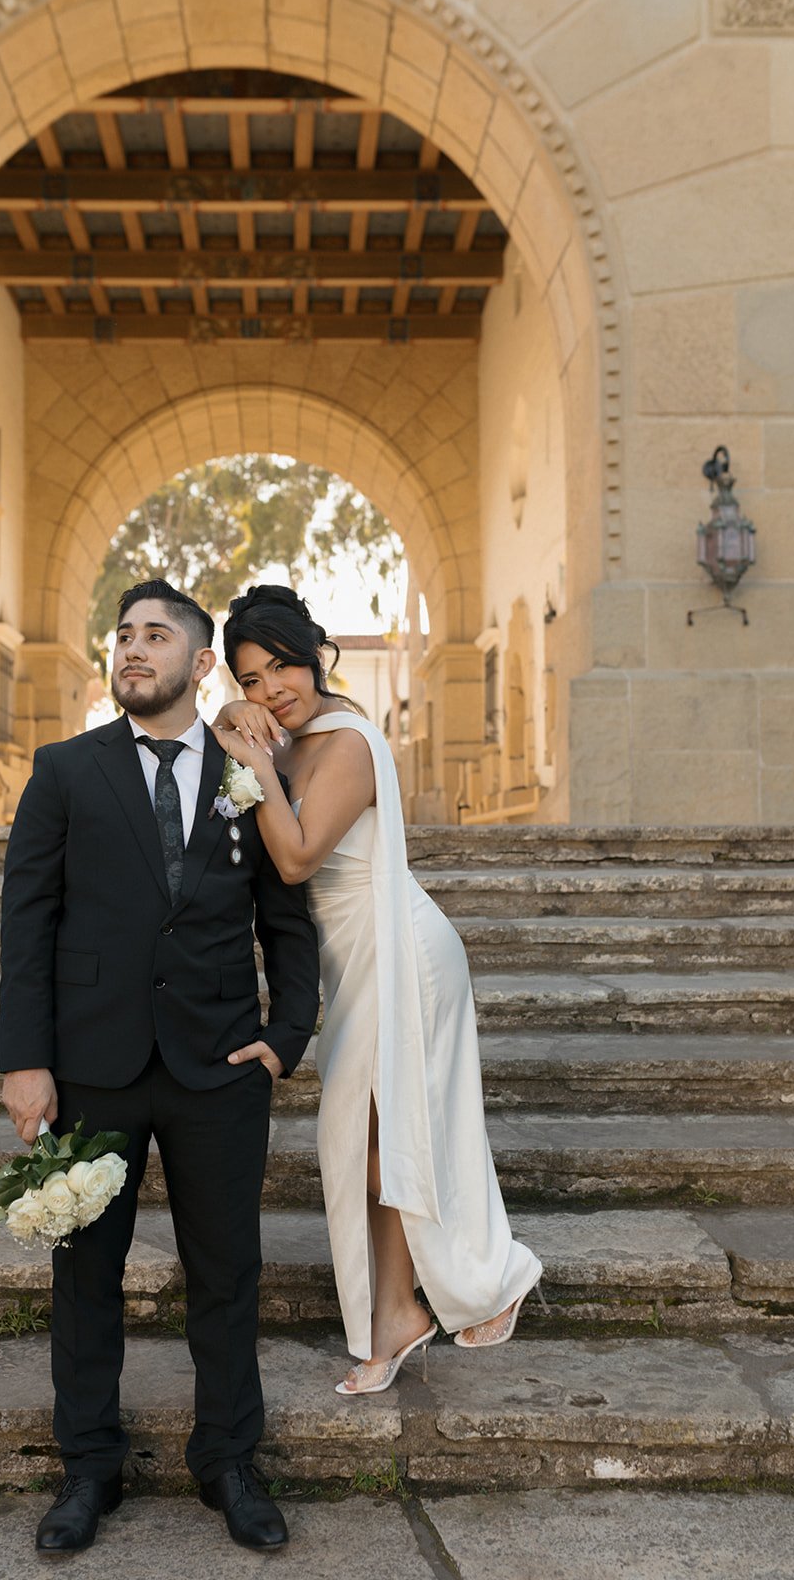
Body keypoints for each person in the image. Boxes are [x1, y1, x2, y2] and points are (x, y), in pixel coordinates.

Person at [0, 579, 319, 1555]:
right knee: (83, 1269)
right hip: (90, 1064)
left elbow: (285, 915)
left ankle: (227, 1460)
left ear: (199, 661)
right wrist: (25, 1061)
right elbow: (28, 923)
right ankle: (87, 1464)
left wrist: (286, 1033)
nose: (133, 649)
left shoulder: (246, 764)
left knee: (225, 1273)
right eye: (123, 635)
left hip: (218, 1062)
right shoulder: (63, 771)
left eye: (155, 635)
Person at [213, 584, 543, 1396]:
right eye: (251, 680)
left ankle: (471, 1281)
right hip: (350, 961)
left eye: (282, 667)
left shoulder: (344, 744)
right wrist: (234, 726)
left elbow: (292, 860)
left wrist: (250, 756)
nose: (271, 690)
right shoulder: (289, 738)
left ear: (312, 654)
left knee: (376, 1138)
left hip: (402, 952)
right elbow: (225, 748)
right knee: (376, 1137)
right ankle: (409, 1307)